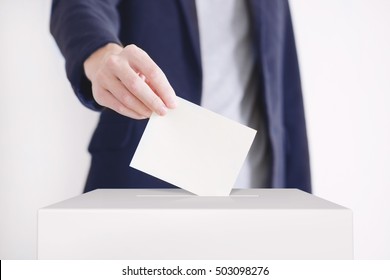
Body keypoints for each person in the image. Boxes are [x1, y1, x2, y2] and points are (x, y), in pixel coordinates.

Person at [50, 0, 311, 193]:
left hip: (255, 184)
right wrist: (102, 54)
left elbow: (284, 85)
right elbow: (79, 5)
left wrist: (301, 197)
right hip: (143, 180)